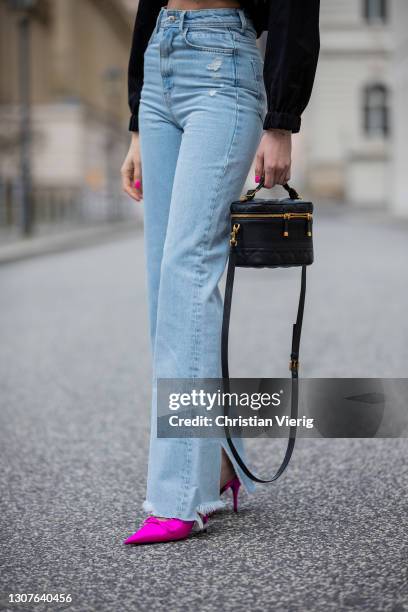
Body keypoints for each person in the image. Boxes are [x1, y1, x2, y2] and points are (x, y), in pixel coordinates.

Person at [121, 0, 320, 545]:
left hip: (222, 64)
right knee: (164, 290)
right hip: (162, 57)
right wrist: (138, 123)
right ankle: (220, 460)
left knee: (188, 275)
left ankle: (179, 497)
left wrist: (281, 119)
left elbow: (297, 8)